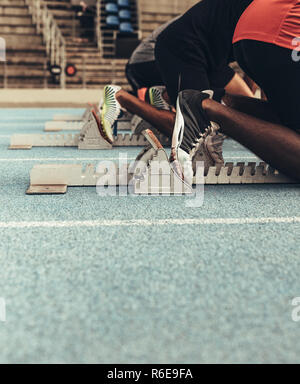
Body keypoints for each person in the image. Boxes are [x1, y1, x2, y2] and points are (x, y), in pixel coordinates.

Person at [100, 0, 254, 161]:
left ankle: (164, 95)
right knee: (193, 130)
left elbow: (257, 67)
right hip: (178, 49)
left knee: (242, 107)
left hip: (211, 57)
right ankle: (121, 96)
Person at [170, 0, 300, 184]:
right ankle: (204, 107)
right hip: (286, 32)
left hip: (254, 25)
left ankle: (220, 101)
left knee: (289, 123)